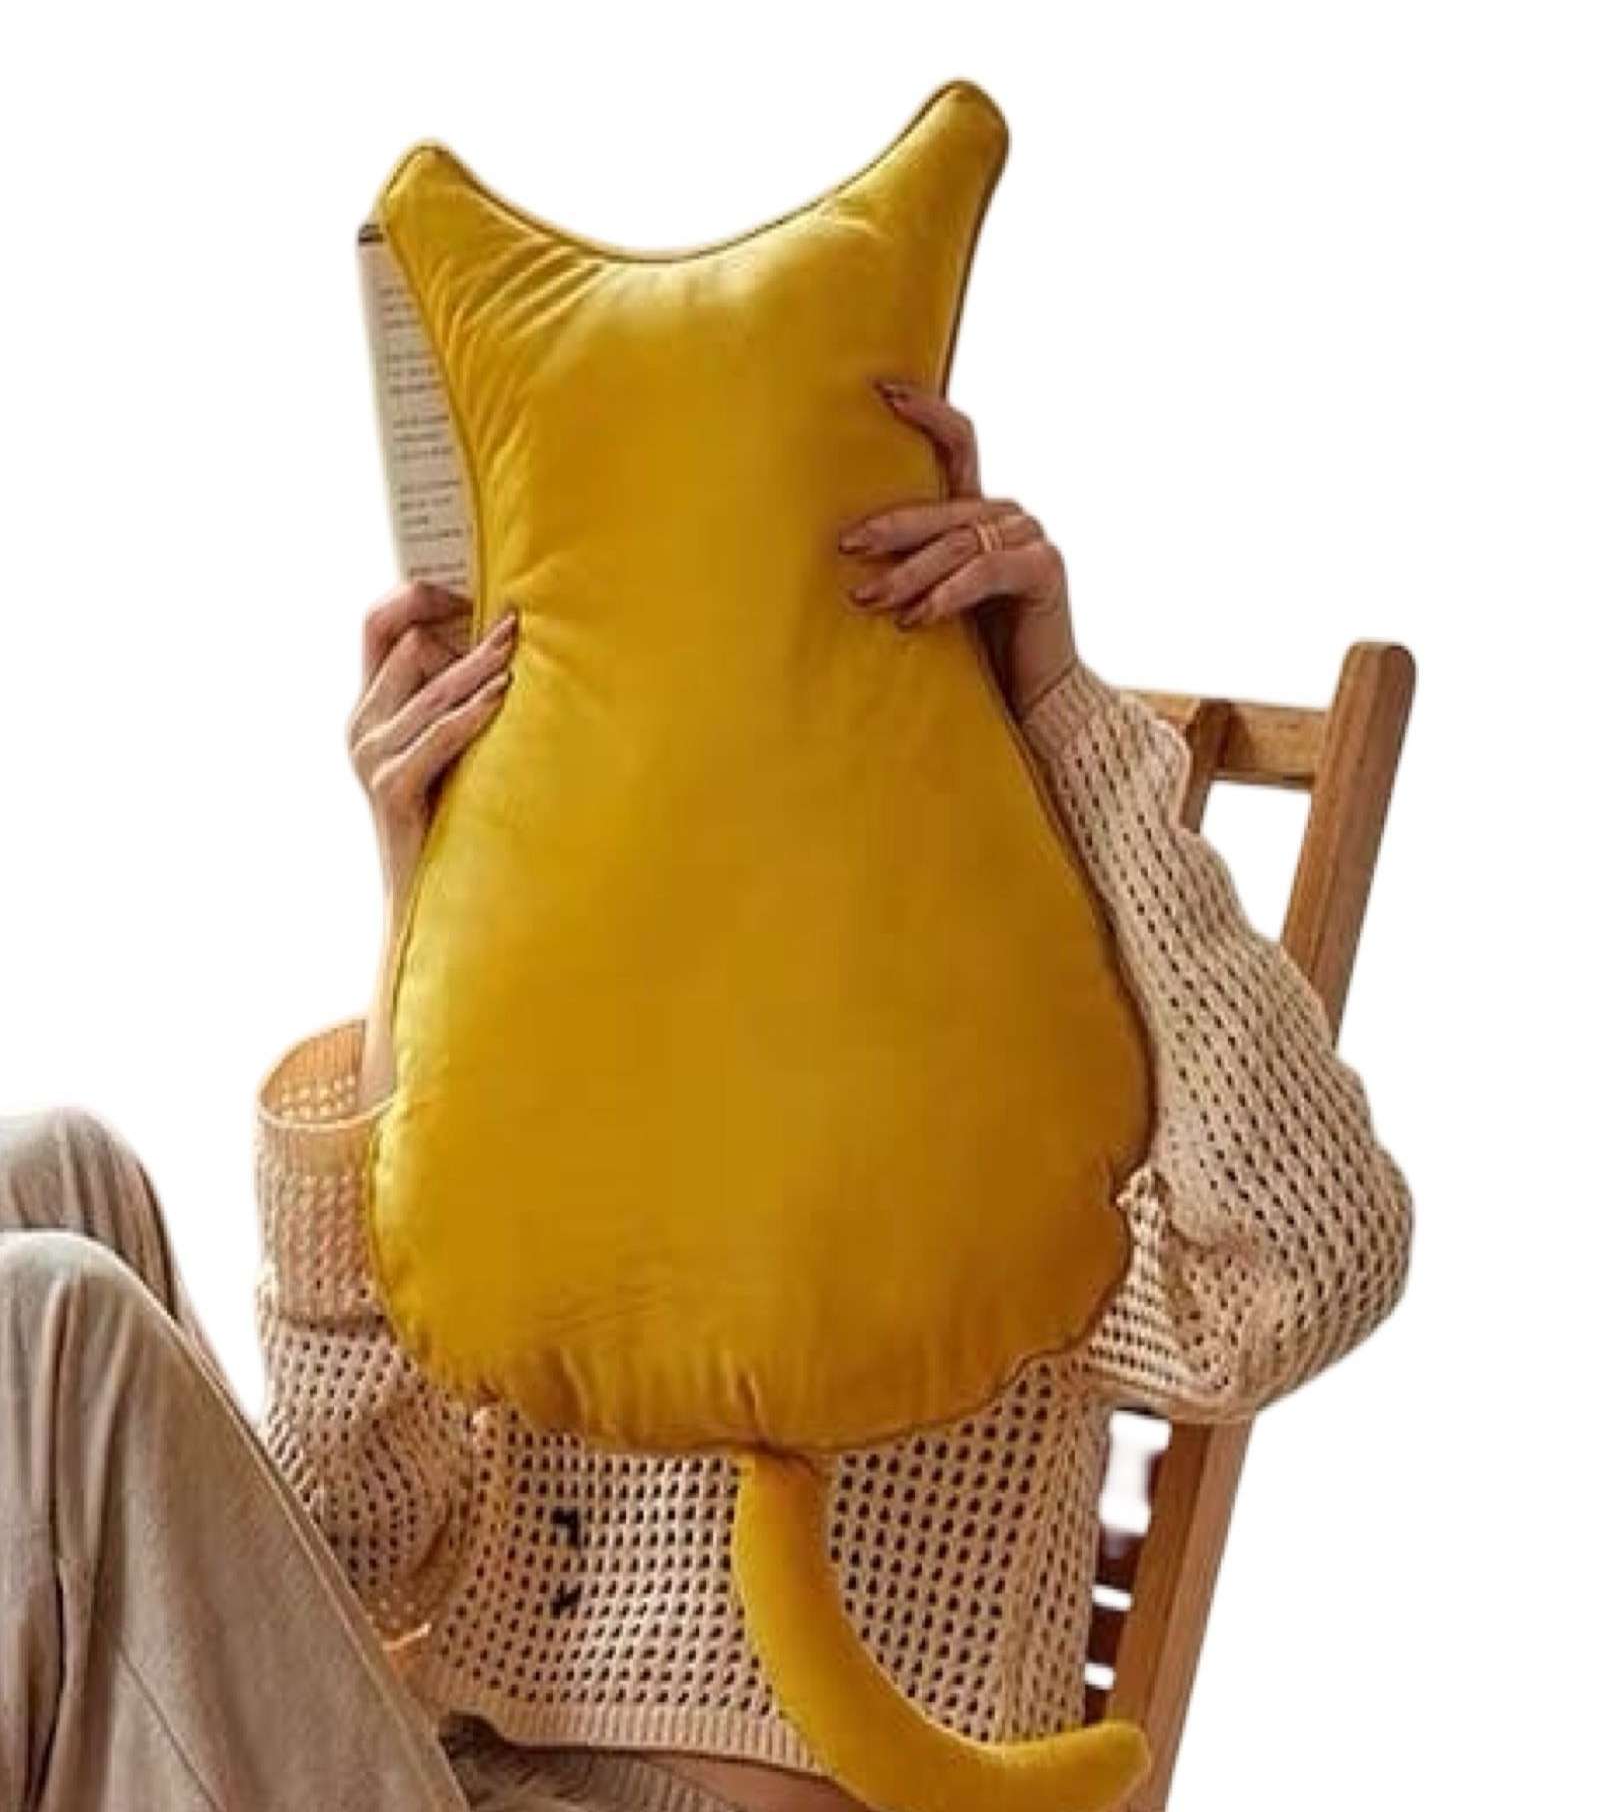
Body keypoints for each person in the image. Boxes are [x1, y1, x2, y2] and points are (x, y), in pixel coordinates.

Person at [0, 381, 1414, 1812]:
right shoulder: (593, 1017)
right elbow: (361, 1541)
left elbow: (1309, 1257)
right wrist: (423, 897)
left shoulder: (1016, 1112)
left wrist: (1061, 716)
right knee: (53, 1174)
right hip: (433, 1777)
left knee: (46, 1326)